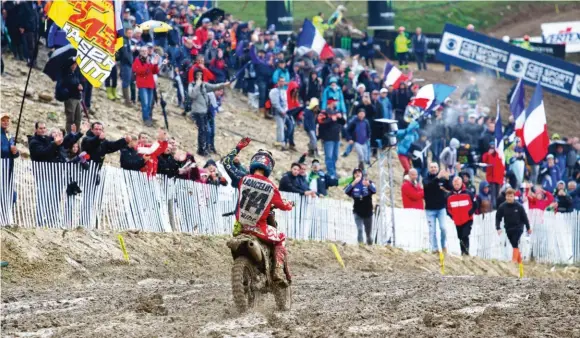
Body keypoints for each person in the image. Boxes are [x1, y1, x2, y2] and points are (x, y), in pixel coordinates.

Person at [223, 137, 294, 285]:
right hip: (259, 229)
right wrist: (290, 205)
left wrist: (238, 147)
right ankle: (277, 271)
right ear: (269, 166)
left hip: (240, 227)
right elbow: (284, 206)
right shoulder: (272, 187)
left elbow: (226, 163)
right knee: (280, 237)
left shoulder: (243, 178)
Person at [189, 69, 230, 156]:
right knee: (203, 131)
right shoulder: (192, 85)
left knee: (205, 131)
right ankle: (202, 150)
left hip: (204, 111)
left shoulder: (204, 85)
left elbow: (214, 86)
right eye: (197, 75)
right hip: (197, 111)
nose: (199, 77)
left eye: (201, 75)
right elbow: (192, 95)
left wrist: (224, 84)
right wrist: (197, 85)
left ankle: (205, 148)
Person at [496, 188, 531, 263]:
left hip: (518, 227)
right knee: (514, 245)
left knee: (515, 241)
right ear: (506, 197)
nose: (509, 198)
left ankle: (514, 261)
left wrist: (528, 228)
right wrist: (498, 227)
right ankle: (520, 262)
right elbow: (498, 217)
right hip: (508, 228)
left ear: (514, 196)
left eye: (511, 196)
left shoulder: (519, 206)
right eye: (508, 196)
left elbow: (525, 218)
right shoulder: (502, 206)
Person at [423, 162, 451, 254]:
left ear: (438, 168)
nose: (433, 169)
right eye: (431, 167)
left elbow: (450, 189)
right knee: (432, 230)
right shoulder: (425, 179)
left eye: (435, 167)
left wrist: (448, 179)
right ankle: (435, 249)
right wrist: (437, 177)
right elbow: (429, 186)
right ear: (429, 168)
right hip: (430, 209)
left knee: (443, 228)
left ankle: (443, 246)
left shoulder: (442, 179)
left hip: (441, 208)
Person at [344, 168, 376, 245]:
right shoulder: (352, 183)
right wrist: (353, 183)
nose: (357, 174)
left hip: (368, 211)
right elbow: (346, 191)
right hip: (357, 211)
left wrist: (368, 185)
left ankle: (370, 246)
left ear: (362, 174)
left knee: (368, 234)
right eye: (355, 173)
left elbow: (374, 190)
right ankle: (361, 246)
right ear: (353, 175)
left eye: (359, 172)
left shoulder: (367, 181)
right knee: (360, 229)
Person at [447, 176, 477, 256]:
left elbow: (475, 205)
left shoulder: (468, 193)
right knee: (460, 237)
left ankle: (466, 252)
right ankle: (462, 252)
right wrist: (452, 216)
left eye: (458, 184)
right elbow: (447, 208)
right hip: (457, 220)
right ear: (453, 184)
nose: (456, 186)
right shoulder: (449, 195)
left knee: (465, 235)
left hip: (467, 219)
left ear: (461, 184)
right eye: (455, 184)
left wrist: (469, 213)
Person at [317, 100, 346, 178]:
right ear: (330, 103)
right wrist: (330, 119)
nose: (336, 103)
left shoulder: (337, 111)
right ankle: (331, 173)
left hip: (336, 137)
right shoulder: (324, 112)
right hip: (328, 138)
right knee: (329, 156)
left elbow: (343, 123)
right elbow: (320, 121)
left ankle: (333, 171)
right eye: (334, 102)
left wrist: (341, 117)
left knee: (335, 156)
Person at [132, 46, 160, 126]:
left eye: (145, 51)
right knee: (145, 103)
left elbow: (155, 71)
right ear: (140, 52)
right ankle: (146, 119)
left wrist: (155, 64)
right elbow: (139, 71)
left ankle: (148, 118)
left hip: (150, 84)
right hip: (142, 84)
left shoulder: (149, 60)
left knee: (150, 103)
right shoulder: (137, 60)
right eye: (142, 51)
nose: (144, 52)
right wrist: (149, 64)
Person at [58, 62, 83, 134]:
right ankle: (69, 135)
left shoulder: (75, 73)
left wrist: (80, 86)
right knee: (70, 119)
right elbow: (65, 84)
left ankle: (76, 135)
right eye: (72, 64)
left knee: (78, 119)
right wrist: (76, 87)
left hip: (77, 98)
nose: (74, 66)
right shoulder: (66, 72)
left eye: (75, 64)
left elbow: (78, 83)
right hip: (70, 98)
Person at [482, 143, 504, 209]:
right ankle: (491, 207)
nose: (491, 150)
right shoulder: (487, 155)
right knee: (492, 194)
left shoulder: (499, 155)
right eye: (490, 148)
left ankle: (497, 207)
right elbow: (484, 161)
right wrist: (488, 154)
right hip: (491, 178)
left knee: (497, 194)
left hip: (498, 178)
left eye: (493, 148)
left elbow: (502, 167)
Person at [269, 76, 289, 150]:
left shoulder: (284, 91)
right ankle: (280, 142)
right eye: (281, 81)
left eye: (283, 81)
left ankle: (281, 142)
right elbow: (275, 103)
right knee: (280, 127)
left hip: (284, 111)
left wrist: (286, 110)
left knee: (282, 127)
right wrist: (281, 111)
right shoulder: (274, 91)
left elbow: (286, 102)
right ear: (278, 82)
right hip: (277, 112)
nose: (282, 83)